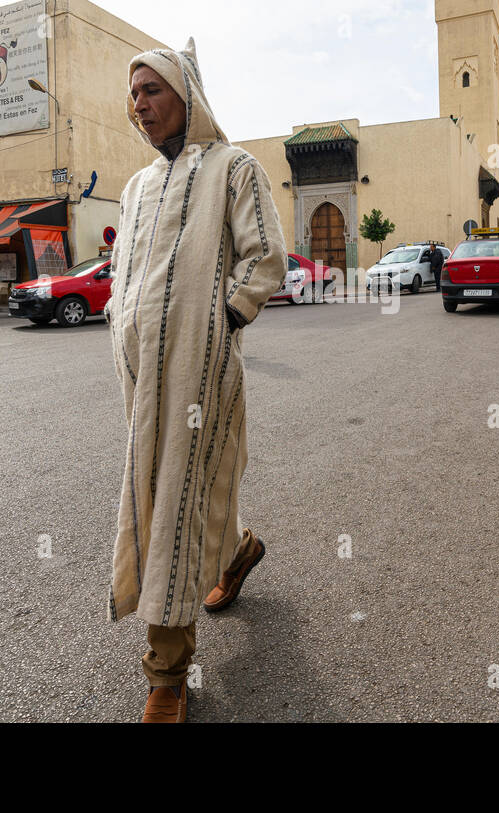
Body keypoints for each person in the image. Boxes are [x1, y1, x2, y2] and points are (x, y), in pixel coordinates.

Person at [106, 38, 287, 722]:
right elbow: (130, 273)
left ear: (188, 95)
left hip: (199, 378)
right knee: (178, 491)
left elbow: (265, 257)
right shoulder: (136, 187)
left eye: (152, 88)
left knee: (173, 504)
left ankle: (168, 672)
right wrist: (121, 322)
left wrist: (222, 327)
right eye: (134, 92)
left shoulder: (234, 169)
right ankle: (239, 550)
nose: (140, 103)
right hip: (141, 380)